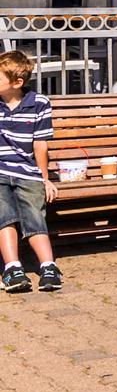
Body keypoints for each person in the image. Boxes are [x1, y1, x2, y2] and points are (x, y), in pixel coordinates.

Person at [0, 50, 62, 293]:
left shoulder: (39, 103)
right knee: (3, 211)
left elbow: (40, 144)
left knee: (33, 212)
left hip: (28, 172)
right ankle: (12, 267)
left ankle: (48, 266)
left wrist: (44, 178)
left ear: (17, 83)